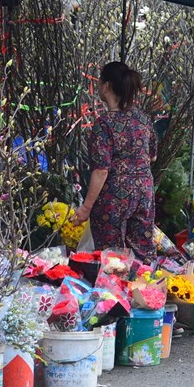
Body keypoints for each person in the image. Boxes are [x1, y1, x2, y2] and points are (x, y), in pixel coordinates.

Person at [71, 61, 157, 261]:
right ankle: (146, 289)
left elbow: (101, 170)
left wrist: (86, 207)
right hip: (144, 192)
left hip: (113, 198)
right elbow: (152, 156)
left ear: (106, 86)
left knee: (112, 256)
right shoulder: (143, 119)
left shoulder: (104, 124)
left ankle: (113, 291)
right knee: (143, 251)